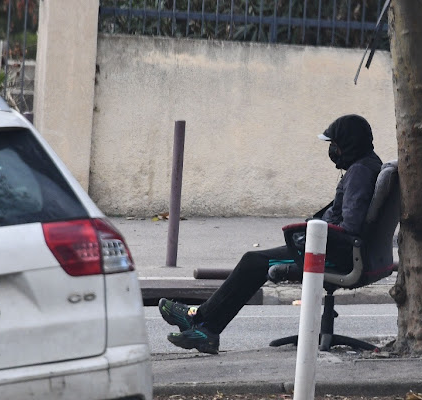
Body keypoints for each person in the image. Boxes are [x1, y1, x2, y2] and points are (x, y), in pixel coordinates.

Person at [158, 114, 383, 354]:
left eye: (334, 144)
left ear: (348, 144)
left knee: (253, 262)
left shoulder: (359, 173)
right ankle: (201, 322)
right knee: (254, 260)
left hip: (333, 253)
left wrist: (309, 233)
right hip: (335, 247)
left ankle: (204, 328)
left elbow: (350, 227)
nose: (332, 150)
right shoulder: (366, 165)